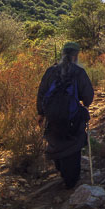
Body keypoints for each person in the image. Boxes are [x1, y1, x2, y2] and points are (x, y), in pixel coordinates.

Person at [37, 41, 94, 189]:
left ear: (62, 54)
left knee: (56, 141)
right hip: (71, 119)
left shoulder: (51, 71)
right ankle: (71, 181)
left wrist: (41, 114)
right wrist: (84, 104)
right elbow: (88, 97)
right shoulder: (78, 72)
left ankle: (62, 171)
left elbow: (42, 93)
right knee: (73, 144)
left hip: (52, 117)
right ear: (75, 56)